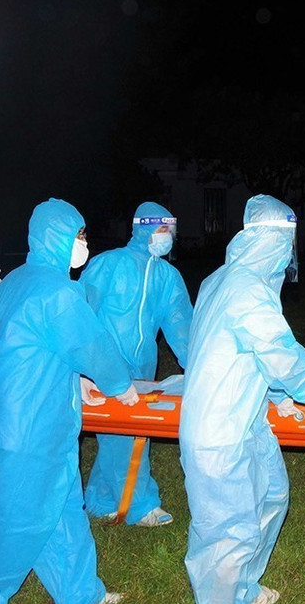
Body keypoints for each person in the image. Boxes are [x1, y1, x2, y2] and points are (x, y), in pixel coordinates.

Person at [0, 199, 140, 604]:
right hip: (31, 431)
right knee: (11, 526)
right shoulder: (57, 292)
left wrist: (75, 383)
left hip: (26, 419)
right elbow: (93, 347)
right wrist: (118, 384)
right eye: (80, 235)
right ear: (59, 238)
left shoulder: (17, 281)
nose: (84, 243)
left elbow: (34, 349)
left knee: (63, 513)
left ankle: (81, 594)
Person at [180, 194, 305, 604]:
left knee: (273, 494)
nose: (289, 252)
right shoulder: (246, 289)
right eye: (286, 241)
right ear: (270, 241)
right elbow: (278, 351)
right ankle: (221, 596)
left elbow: (247, 348)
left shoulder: (224, 279)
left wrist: (277, 395)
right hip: (218, 429)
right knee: (229, 531)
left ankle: (241, 586)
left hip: (247, 416)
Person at [81, 202, 193, 527]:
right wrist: (83, 366)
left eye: (170, 230)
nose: (167, 236)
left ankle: (101, 500)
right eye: (161, 229)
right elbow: (82, 317)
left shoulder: (168, 277)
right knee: (124, 437)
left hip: (144, 371)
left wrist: (200, 368)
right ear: (143, 228)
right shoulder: (108, 265)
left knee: (119, 435)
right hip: (105, 368)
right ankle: (140, 505)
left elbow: (182, 327)